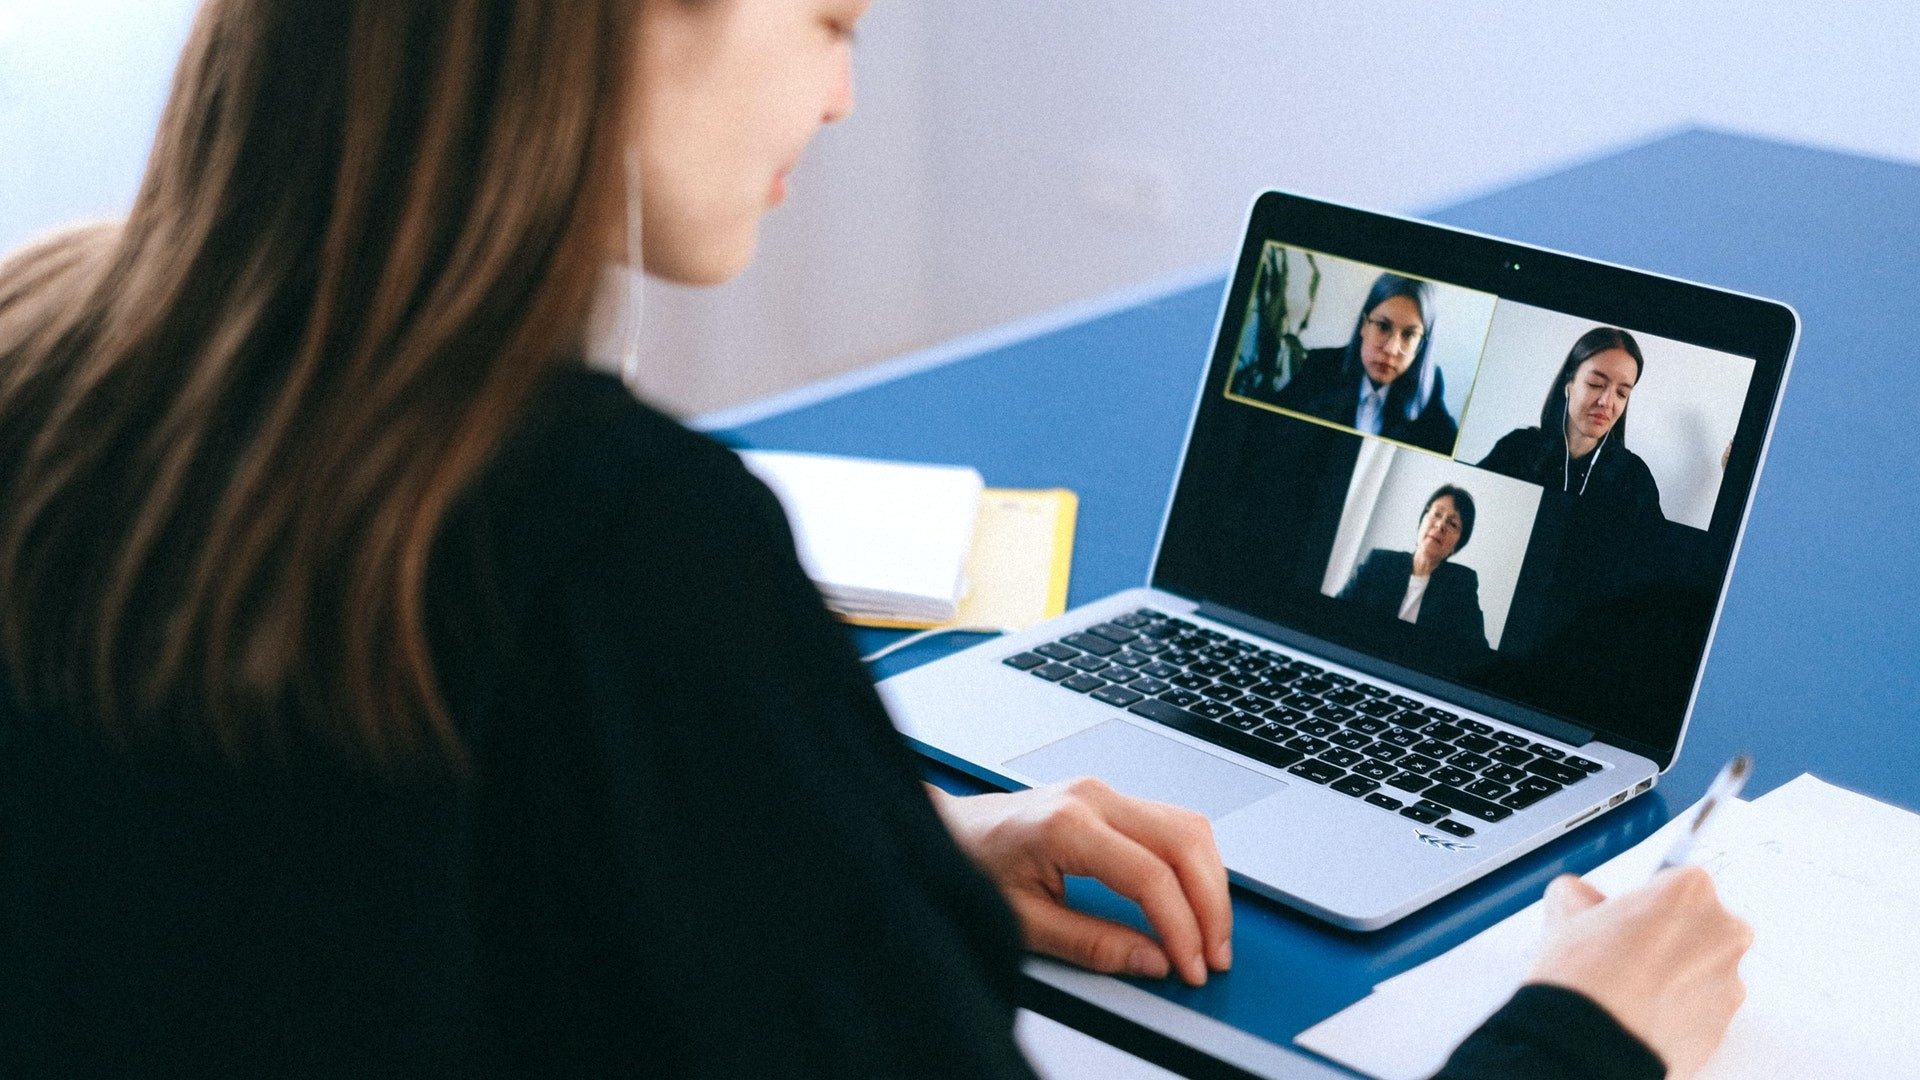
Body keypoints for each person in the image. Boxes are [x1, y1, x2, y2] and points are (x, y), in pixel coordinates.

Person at [0, 2, 1749, 1077]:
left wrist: (879, 849)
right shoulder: (619, 547)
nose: (840, 103)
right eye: (831, 23)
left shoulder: (45, 348)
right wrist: (1579, 1037)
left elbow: (311, 861)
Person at [1476, 327, 1665, 523]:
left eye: (1622, 393)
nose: (1607, 402)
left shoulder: (1634, 478)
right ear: (1569, 382)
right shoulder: (1517, 449)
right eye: (1595, 383)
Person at [1274, 272, 1460, 454]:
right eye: (1383, 326)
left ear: (1421, 345)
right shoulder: (1321, 366)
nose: (1391, 349)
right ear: (1364, 325)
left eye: (1409, 335)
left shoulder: (1429, 388)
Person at [1339, 485, 1488, 647]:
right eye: (1436, 514)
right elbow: (1337, 612)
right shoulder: (1379, 563)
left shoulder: (1461, 584)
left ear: (1456, 545)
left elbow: (1476, 649)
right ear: (1421, 522)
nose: (1440, 525)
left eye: (1452, 524)